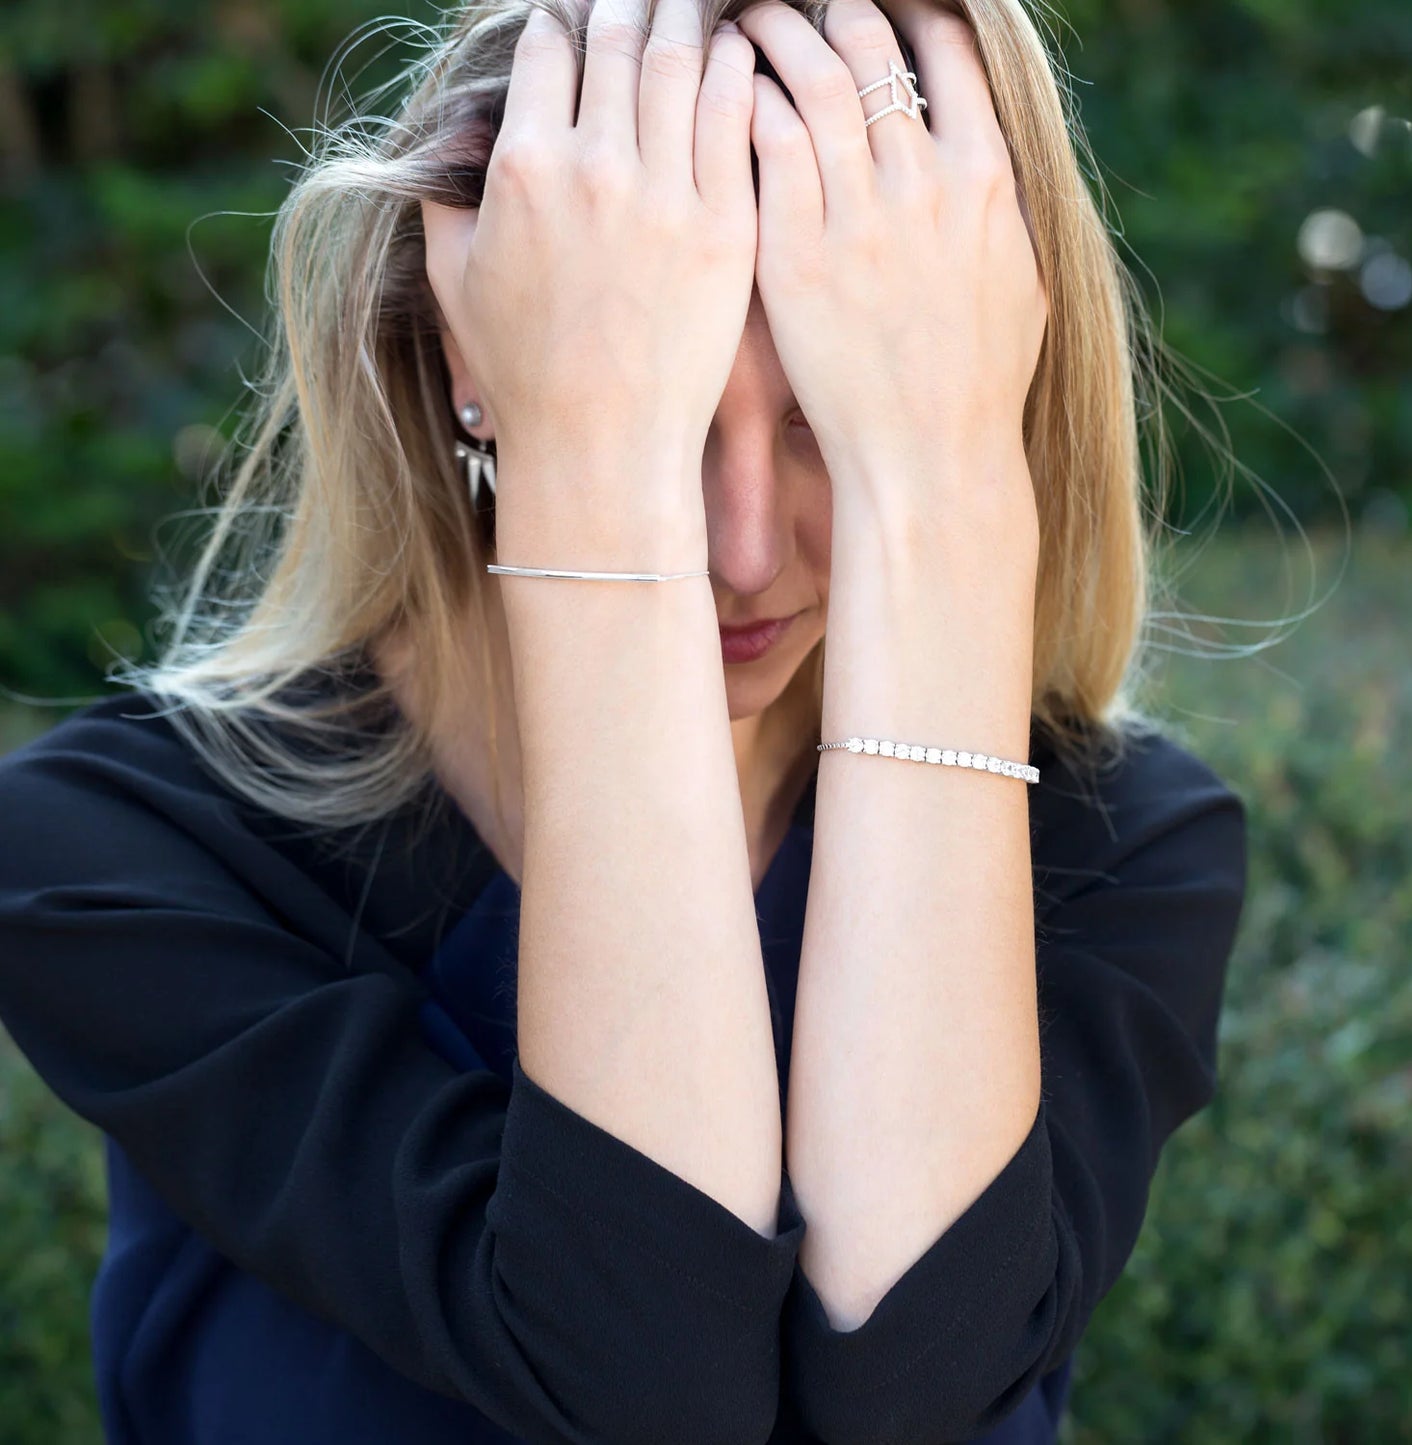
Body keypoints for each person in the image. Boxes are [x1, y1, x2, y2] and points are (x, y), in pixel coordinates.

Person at [0, 0, 1249, 1440]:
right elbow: (643, 1374)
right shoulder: (121, 845)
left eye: (825, 426)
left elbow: (917, 1385)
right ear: (468, 352)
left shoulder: (1119, 843)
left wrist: (937, 487)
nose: (737, 549)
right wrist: (587, 474)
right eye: (665, 407)